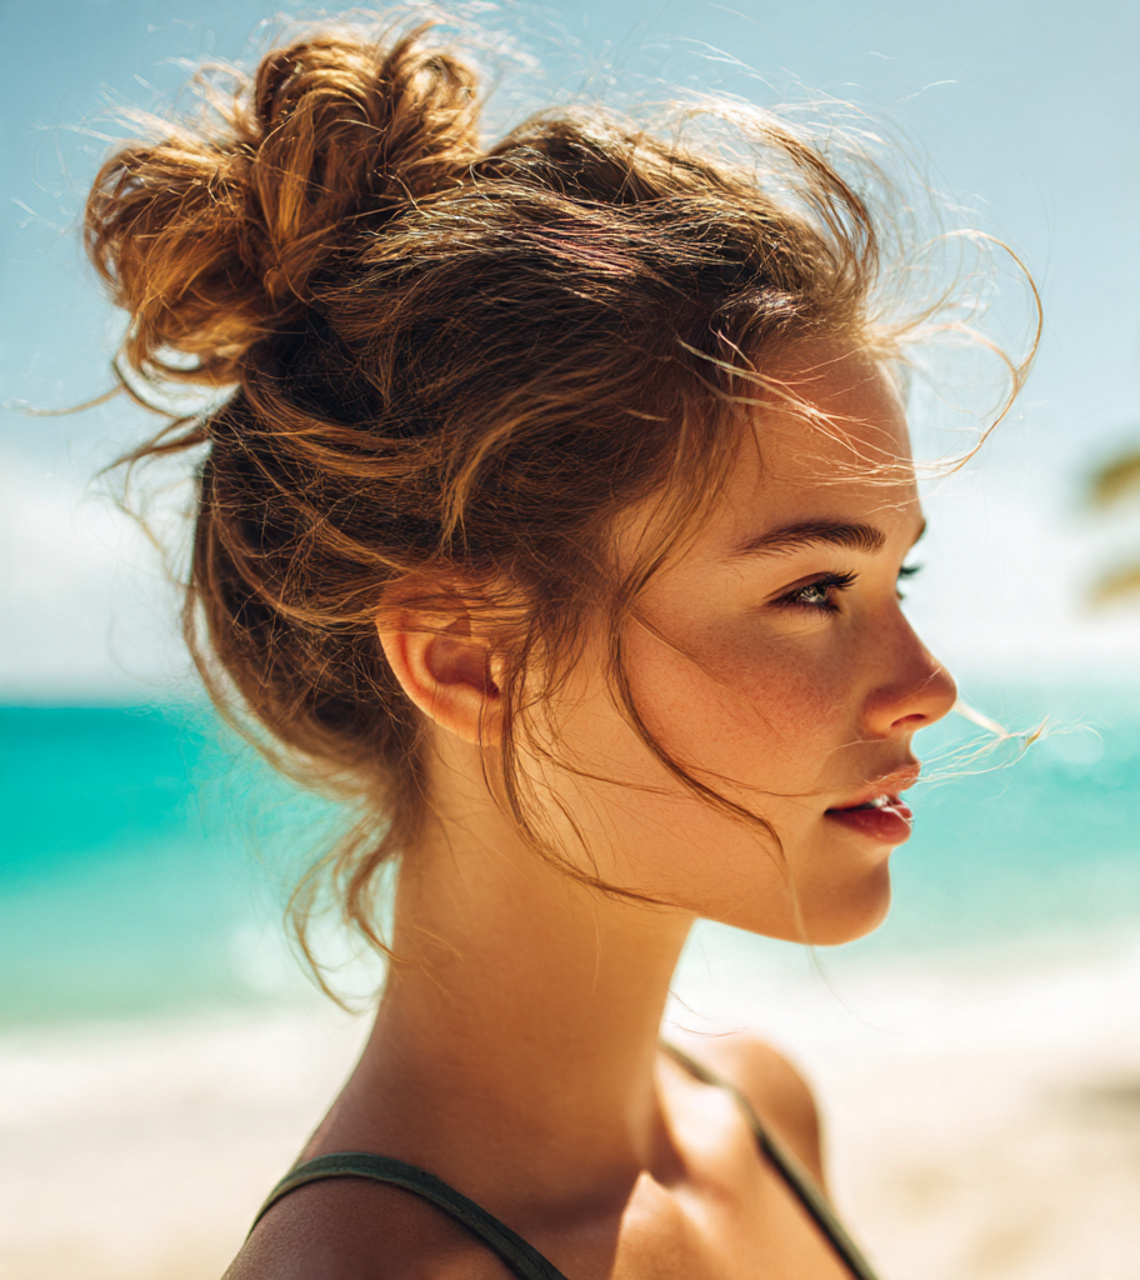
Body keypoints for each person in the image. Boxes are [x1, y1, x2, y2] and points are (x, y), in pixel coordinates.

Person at [85, 18, 983, 1278]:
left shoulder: (761, 1114)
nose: (929, 685)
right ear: (467, 659)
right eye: (812, 588)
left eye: (901, 572)